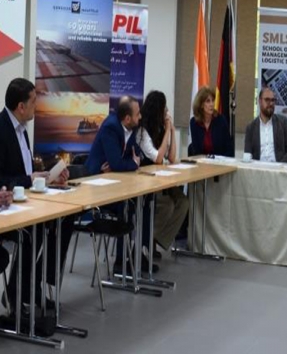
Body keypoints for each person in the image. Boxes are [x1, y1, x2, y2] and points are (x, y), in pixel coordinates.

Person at [0, 78, 71, 310]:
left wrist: (49, 178)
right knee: (35, 230)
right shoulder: (2, 130)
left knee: (64, 220)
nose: (36, 106)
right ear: (21, 107)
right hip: (8, 207)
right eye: (33, 102)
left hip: (27, 201)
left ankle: (31, 285)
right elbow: (3, 179)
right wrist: (30, 180)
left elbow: (27, 172)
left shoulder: (22, 130)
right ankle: (18, 292)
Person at [85, 96, 152, 273]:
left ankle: (139, 252)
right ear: (127, 118)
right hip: (96, 187)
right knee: (127, 205)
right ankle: (121, 261)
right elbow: (118, 163)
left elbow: (136, 155)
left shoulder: (130, 128)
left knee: (146, 200)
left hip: (115, 183)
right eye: (137, 114)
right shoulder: (111, 127)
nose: (140, 117)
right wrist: (132, 164)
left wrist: (127, 163)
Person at [136, 91, 189, 257]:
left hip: (161, 180)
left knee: (183, 202)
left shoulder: (159, 129)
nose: (166, 112)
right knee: (167, 205)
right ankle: (146, 242)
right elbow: (158, 158)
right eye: (164, 108)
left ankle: (156, 239)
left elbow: (171, 157)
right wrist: (166, 132)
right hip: (146, 182)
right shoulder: (142, 131)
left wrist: (171, 130)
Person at [244, 87, 287, 163]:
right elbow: (247, 155)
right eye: (267, 100)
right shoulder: (251, 128)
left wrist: (279, 166)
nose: (271, 103)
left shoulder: (282, 122)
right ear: (260, 101)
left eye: (273, 100)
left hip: (279, 167)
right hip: (259, 168)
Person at [190, 86, 233, 156]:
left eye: (213, 100)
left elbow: (229, 149)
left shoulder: (221, 120)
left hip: (220, 161)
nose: (212, 104)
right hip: (202, 161)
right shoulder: (194, 122)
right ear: (201, 105)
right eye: (208, 101)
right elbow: (196, 151)